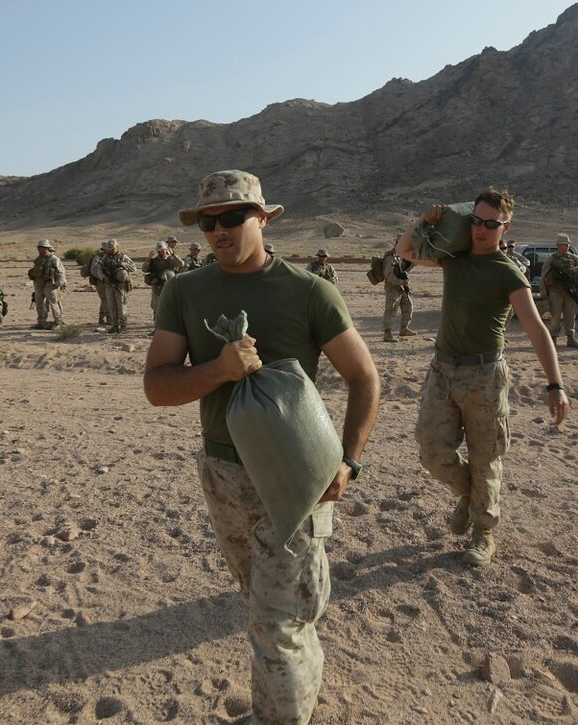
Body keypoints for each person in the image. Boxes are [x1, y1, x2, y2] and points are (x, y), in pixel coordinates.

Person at [145, 169, 379, 725]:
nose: (219, 230)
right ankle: (301, 635)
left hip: (297, 475)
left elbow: (364, 377)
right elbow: (157, 386)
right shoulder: (184, 290)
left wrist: (348, 460)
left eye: (232, 217)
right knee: (266, 601)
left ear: (263, 218)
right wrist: (219, 371)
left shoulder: (309, 291)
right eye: (208, 221)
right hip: (223, 473)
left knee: (276, 623)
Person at [395, 189, 568, 567]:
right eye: (476, 221)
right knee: (432, 454)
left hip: (484, 376)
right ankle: (469, 495)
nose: (481, 230)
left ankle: (483, 533)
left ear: (506, 227)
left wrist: (554, 384)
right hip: (441, 370)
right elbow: (404, 251)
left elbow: (537, 329)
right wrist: (424, 221)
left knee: (486, 457)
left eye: (491, 224)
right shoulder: (453, 259)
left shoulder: (508, 273)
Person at [540, 233, 578, 348]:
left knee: (570, 316)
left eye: (568, 244)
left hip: (570, 292)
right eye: (565, 244)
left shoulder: (574, 258)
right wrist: (543, 291)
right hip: (556, 292)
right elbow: (543, 275)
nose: (567, 246)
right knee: (555, 316)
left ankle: (570, 338)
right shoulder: (551, 259)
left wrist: (577, 269)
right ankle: (553, 340)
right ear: (559, 245)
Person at [94, 239, 136, 333]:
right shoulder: (105, 258)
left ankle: (123, 326)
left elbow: (133, 267)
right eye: (109, 249)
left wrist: (123, 264)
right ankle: (114, 325)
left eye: (112, 249)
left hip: (121, 286)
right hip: (109, 285)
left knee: (121, 306)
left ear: (117, 247)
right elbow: (99, 270)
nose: (111, 251)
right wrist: (103, 277)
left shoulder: (123, 257)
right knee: (111, 306)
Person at [28, 239, 66, 329]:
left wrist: (58, 283)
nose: (39, 249)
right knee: (39, 303)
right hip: (39, 284)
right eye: (39, 247)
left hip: (50, 284)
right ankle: (41, 322)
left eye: (41, 248)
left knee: (54, 303)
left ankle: (58, 322)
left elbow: (61, 272)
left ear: (46, 248)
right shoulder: (38, 259)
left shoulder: (54, 259)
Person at [142, 240, 183, 324]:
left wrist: (173, 255)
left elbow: (181, 264)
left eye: (163, 250)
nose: (161, 253)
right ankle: (157, 326)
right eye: (159, 251)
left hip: (169, 288)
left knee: (170, 307)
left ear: (166, 250)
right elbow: (144, 269)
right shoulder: (153, 261)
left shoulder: (171, 259)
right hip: (157, 288)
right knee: (157, 308)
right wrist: (148, 259)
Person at [381, 244, 415, 342]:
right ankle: (387, 334)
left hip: (401, 287)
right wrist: (401, 282)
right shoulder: (389, 258)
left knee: (408, 306)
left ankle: (404, 329)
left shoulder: (398, 257)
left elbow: (403, 269)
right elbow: (389, 276)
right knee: (391, 310)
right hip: (392, 288)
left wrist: (412, 262)